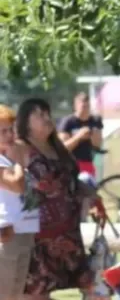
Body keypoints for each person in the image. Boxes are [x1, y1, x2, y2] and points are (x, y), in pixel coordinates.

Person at [17, 98, 94, 299]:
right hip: (37, 237)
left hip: (68, 232)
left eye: (47, 114)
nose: (47, 118)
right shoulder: (21, 148)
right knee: (36, 293)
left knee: (85, 288)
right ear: (26, 122)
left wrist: (92, 195)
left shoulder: (58, 148)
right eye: (39, 115)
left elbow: (70, 181)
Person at [0, 104, 37, 300]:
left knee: (15, 295)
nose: (9, 135)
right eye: (3, 131)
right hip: (6, 235)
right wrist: (19, 163)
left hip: (23, 231)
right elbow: (17, 185)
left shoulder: (7, 159)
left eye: (10, 129)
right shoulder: (9, 162)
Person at [57, 92, 103, 180]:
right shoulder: (68, 122)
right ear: (75, 106)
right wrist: (78, 137)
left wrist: (93, 135)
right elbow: (62, 149)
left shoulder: (94, 121)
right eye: (83, 107)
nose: (85, 110)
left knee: (88, 186)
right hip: (70, 164)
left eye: (87, 107)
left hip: (87, 163)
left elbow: (97, 145)